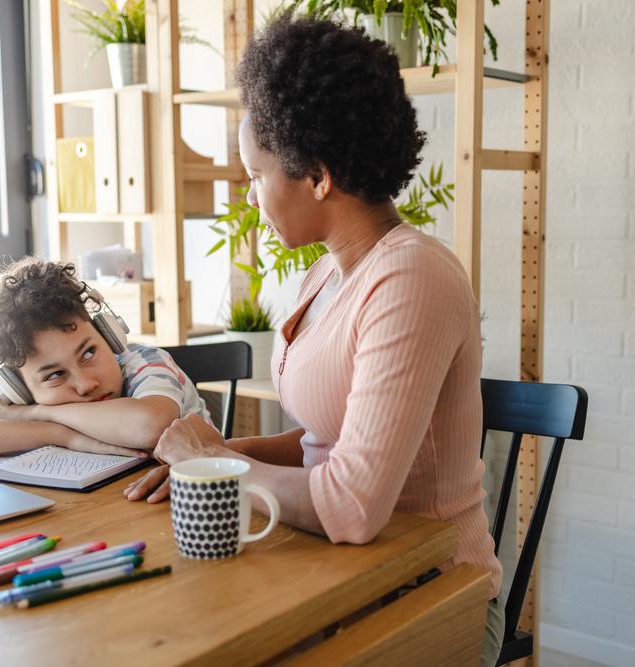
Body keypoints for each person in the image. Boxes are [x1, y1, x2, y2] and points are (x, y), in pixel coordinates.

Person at [123, 14, 505, 665]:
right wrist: (225, 449)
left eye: (255, 174)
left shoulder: (412, 276)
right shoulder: (324, 273)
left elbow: (354, 505)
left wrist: (213, 465)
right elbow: (325, 440)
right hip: (341, 569)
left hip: (433, 588)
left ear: (318, 175)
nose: (250, 197)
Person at [0, 258, 208, 493]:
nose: (86, 383)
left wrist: (35, 413)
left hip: (193, 500)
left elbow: (151, 425)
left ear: (109, 335)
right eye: (54, 376)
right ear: (18, 390)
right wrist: (58, 433)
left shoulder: (145, 362)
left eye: (89, 353)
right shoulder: (15, 399)